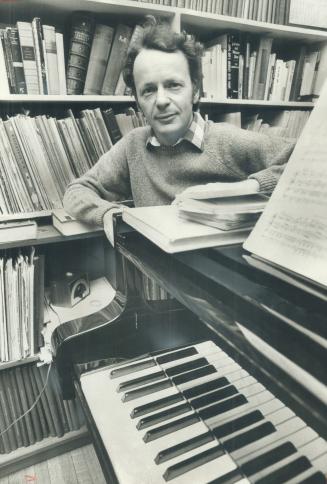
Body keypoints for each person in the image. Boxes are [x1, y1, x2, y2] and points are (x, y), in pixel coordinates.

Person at [63, 20, 295, 245]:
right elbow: (76, 191)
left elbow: (309, 163)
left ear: (195, 92)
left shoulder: (226, 140)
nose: (161, 100)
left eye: (173, 85)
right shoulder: (132, 146)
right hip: (160, 272)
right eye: (149, 90)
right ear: (137, 101)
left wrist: (245, 187)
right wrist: (108, 213)